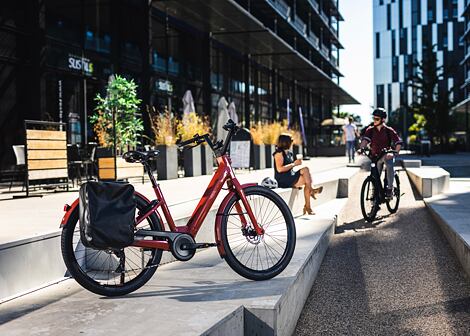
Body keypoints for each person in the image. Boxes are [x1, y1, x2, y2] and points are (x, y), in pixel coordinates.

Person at [273, 133, 323, 215]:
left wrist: (296, 164)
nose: (292, 143)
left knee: (307, 179)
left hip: (290, 176)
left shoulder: (290, 153)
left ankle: (308, 206)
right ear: (286, 142)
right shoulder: (279, 153)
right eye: (291, 141)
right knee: (306, 174)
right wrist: (294, 164)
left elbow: (290, 167)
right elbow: (280, 169)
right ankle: (311, 193)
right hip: (283, 179)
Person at [359, 108, 403, 199]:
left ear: (383, 119)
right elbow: (365, 140)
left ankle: (390, 189)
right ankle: (375, 195)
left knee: (389, 164)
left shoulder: (388, 130)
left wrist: (394, 153)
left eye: (377, 119)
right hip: (375, 157)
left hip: (386, 154)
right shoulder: (370, 130)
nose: (374, 121)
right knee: (375, 176)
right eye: (373, 118)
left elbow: (398, 142)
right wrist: (361, 148)